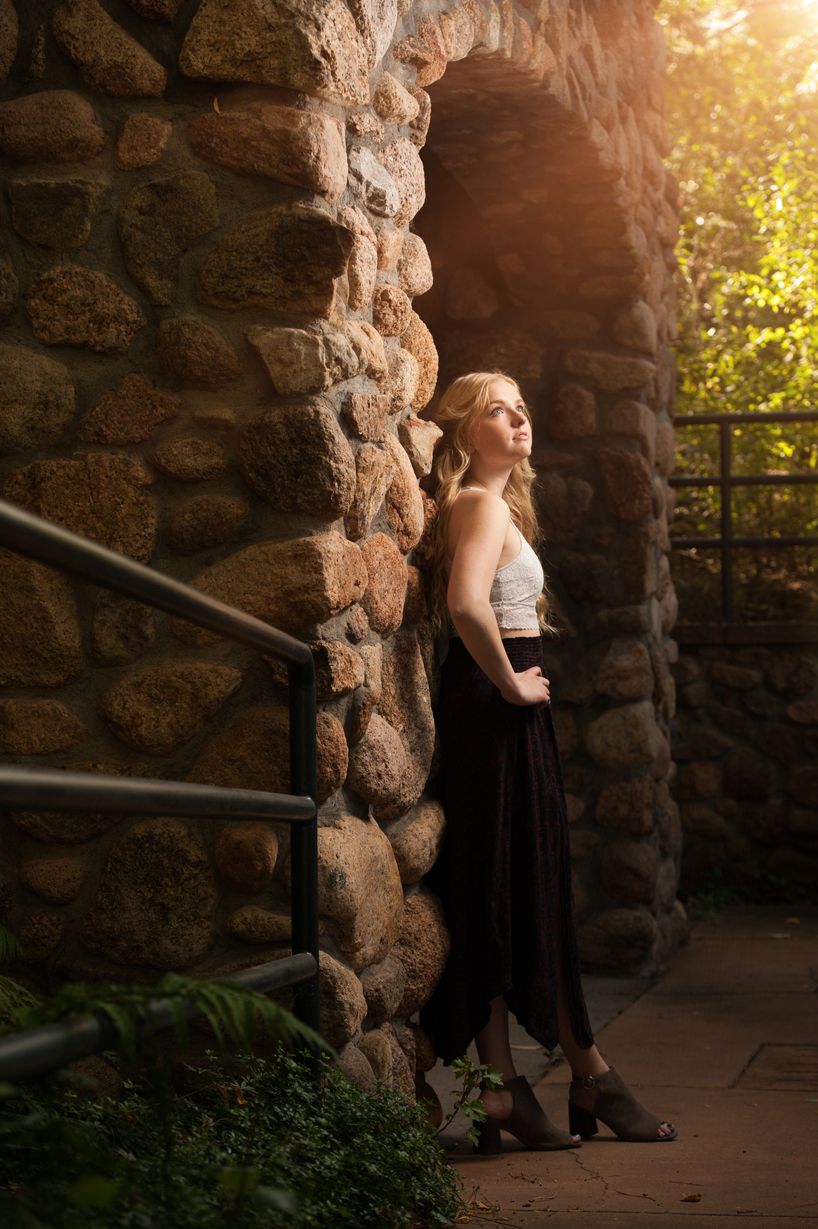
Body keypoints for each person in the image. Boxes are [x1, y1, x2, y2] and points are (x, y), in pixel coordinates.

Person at [418, 371, 676, 1154]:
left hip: (498, 715)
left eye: (524, 405)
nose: (520, 416)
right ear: (466, 432)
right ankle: (588, 1069)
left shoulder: (492, 506)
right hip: (495, 712)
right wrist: (511, 682)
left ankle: (505, 1087)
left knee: (510, 887)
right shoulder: (480, 504)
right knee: (519, 886)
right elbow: (466, 604)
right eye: (499, 408)